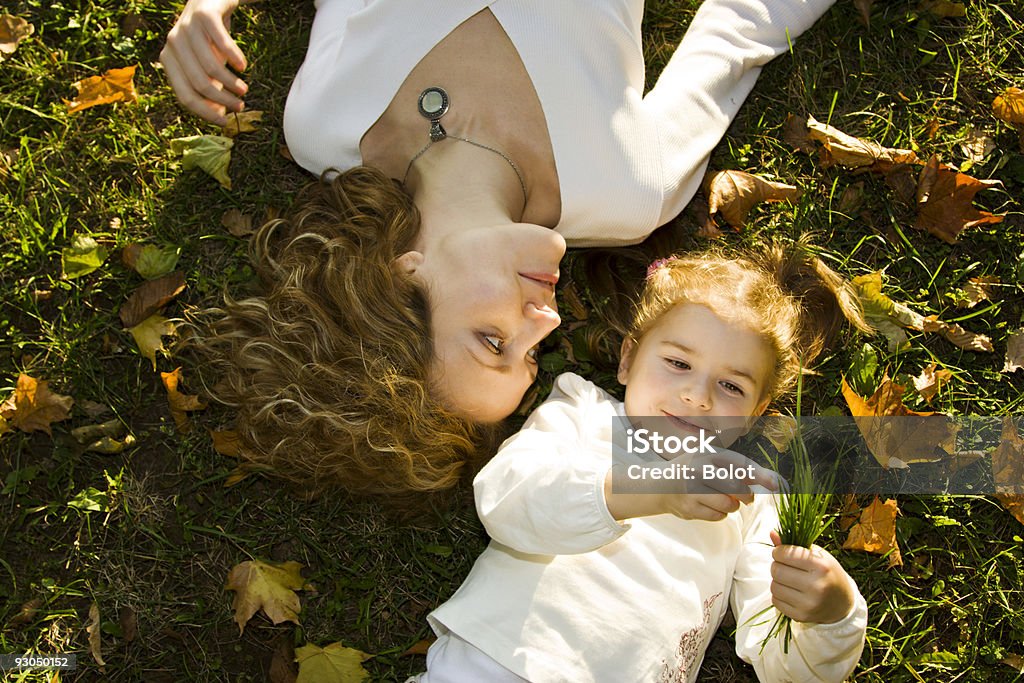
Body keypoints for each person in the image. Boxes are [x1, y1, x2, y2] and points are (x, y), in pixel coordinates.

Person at [161, 0, 839, 496]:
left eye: (491, 339)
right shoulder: (630, 190)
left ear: (403, 276)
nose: (544, 320)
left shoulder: (326, 123)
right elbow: (745, 23)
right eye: (530, 354)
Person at [413, 239, 871, 682]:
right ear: (629, 358)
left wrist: (829, 615)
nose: (697, 396)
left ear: (758, 412)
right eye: (678, 363)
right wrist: (652, 488)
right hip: (501, 658)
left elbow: (785, 665)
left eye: (732, 386)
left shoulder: (751, 497)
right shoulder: (582, 412)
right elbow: (505, 501)